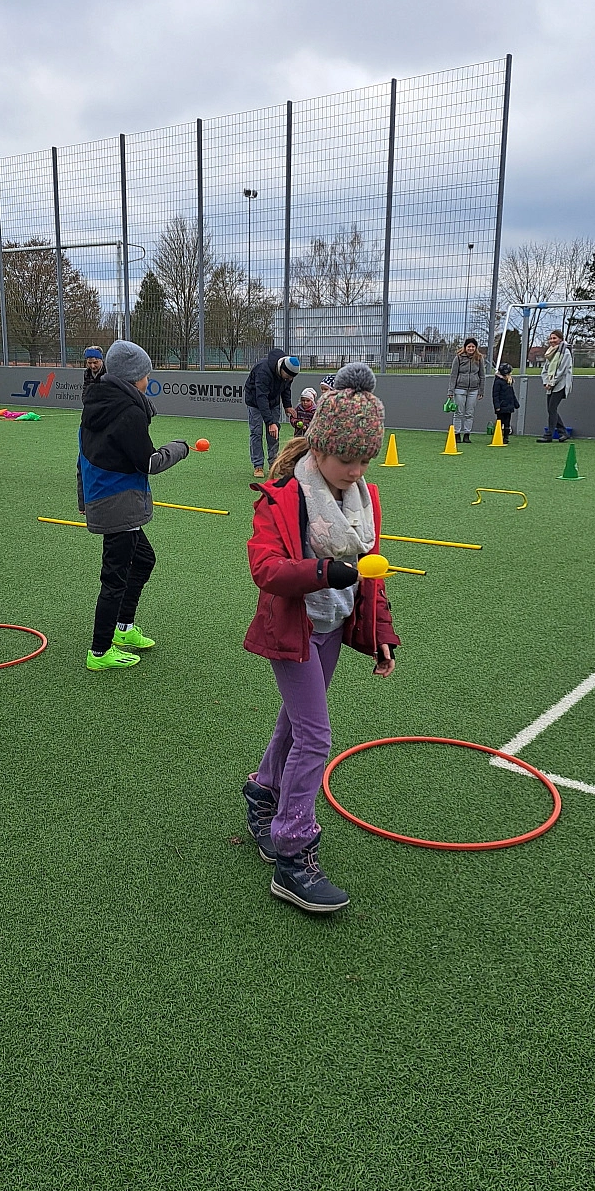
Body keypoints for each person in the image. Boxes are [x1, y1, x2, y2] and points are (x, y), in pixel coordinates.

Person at [241, 362, 399, 915]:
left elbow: (372, 572)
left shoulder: (365, 499)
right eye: (346, 458)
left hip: (333, 626)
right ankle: (292, 851)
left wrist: (381, 633)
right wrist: (320, 572)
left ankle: (263, 791)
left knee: (296, 722)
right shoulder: (286, 495)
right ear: (320, 446)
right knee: (315, 736)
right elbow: (265, 569)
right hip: (294, 627)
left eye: (365, 459)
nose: (356, 470)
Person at [77, 339, 189, 670]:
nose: (147, 379)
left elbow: (81, 457)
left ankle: (123, 628)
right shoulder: (128, 412)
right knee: (114, 579)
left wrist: (83, 498)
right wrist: (179, 448)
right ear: (133, 377)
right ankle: (99, 651)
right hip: (119, 502)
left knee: (143, 560)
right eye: (145, 374)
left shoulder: (95, 402)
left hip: (105, 497)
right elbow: (149, 462)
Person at [244, 349, 300, 478]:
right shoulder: (263, 371)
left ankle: (273, 463)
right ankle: (258, 465)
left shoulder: (288, 374)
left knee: (274, 433)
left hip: (273, 402)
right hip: (255, 402)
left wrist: (287, 406)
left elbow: (286, 388)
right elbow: (261, 397)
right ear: (282, 369)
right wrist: (270, 422)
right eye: (288, 376)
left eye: (292, 377)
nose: (290, 379)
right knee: (256, 432)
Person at [536, 330, 573, 443]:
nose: (552, 341)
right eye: (551, 338)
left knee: (552, 408)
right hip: (551, 385)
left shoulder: (565, 352)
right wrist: (546, 382)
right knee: (551, 409)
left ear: (560, 339)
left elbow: (561, 371)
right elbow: (545, 370)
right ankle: (563, 432)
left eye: (554, 338)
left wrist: (551, 383)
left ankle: (549, 435)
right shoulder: (550, 352)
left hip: (561, 384)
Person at [447, 338, 486, 443]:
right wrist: (450, 391)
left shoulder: (479, 358)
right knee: (458, 412)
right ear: (465, 347)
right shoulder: (458, 358)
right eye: (469, 346)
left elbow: (482, 375)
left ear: (476, 348)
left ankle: (467, 434)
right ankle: (456, 434)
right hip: (459, 389)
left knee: (469, 413)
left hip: (474, 390)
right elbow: (453, 375)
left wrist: (481, 391)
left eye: (473, 346)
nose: (471, 348)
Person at [492, 362, 520, 442]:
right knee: (500, 421)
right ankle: (499, 436)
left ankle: (506, 437)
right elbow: (495, 395)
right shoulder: (498, 382)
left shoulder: (509, 381)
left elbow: (512, 393)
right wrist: (497, 406)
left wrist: (515, 403)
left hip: (509, 406)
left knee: (507, 422)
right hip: (501, 406)